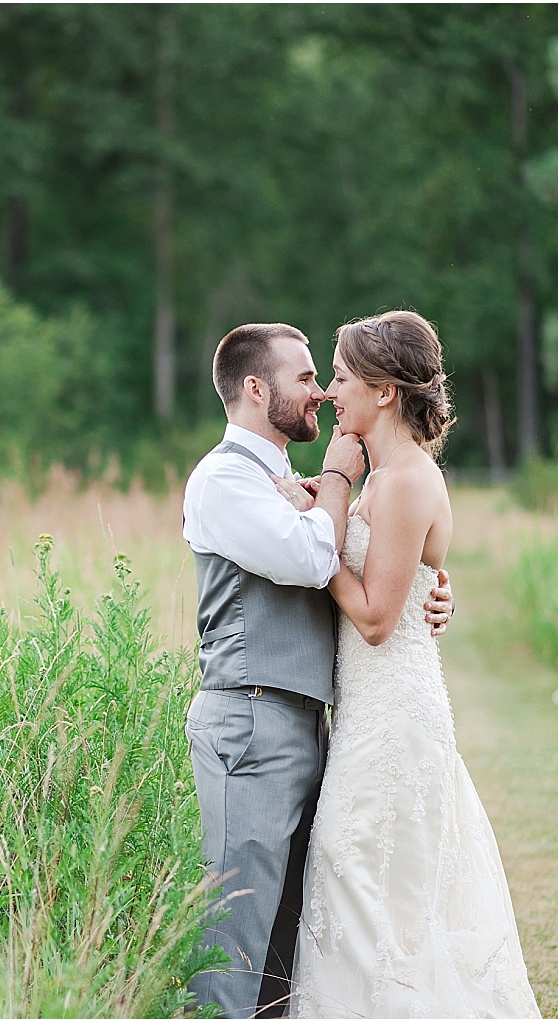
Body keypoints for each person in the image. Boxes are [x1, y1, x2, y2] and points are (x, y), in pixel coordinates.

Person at [181, 323, 454, 1019]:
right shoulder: (224, 479)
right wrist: (335, 481)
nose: (321, 392)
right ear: (253, 388)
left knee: (294, 948)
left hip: (312, 726)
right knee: (234, 931)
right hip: (250, 719)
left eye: (323, 376)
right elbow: (309, 559)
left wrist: (429, 587)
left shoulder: (288, 482)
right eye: (305, 377)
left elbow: (370, 569)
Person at [287, 311, 540, 1018]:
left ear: (383, 391)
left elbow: (372, 618)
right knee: (369, 887)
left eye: (340, 377)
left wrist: (320, 547)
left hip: (392, 719)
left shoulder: (402, 482)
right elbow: (409, 575)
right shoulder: (384, 479)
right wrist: (319, 500)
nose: (332, 392)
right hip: (379, 712)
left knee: (356, 875)